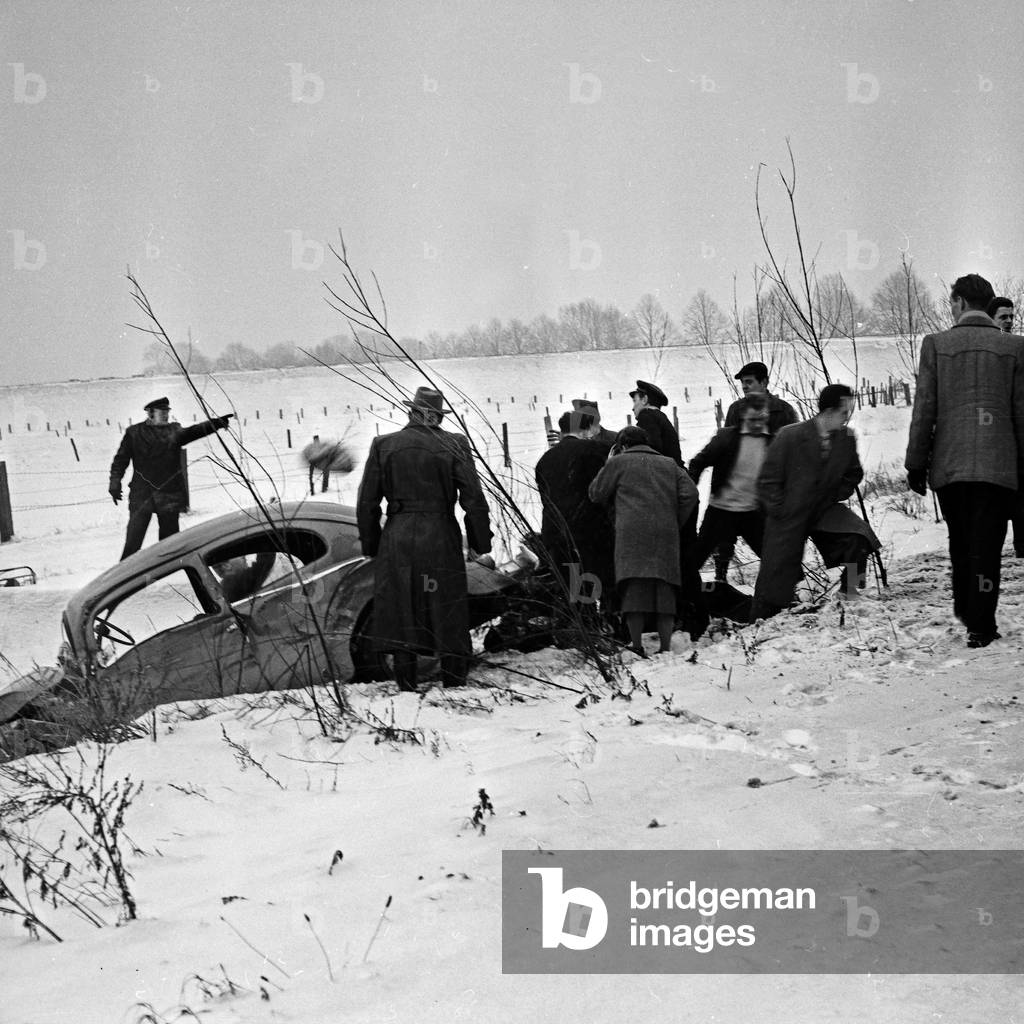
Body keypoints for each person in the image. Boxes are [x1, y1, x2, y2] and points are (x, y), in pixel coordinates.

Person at [906, 274, 1024, 647]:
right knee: (988, 545)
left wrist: (915, 463)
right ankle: (981, 624)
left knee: (960, 541)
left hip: (951, 467)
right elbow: (1022, 414)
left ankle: (967, 611)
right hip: (998, 467)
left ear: (958, 302)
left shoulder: (936, 344)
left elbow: (924, 409)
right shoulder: (1015, 347)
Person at [356, 386, 492, 690]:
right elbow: (473, 499)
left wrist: (372, 545)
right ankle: (454, 680)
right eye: (439, 416)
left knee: (402, 603)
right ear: (433, 416)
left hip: (397, 536)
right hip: (440, 534)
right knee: (446, 602)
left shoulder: (383, 445)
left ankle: (406, 682)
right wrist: (480, 543)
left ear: (413, 412)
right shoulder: (454, 444)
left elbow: (367, 503)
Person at [753, 384, 880, 619]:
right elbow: (767, 481)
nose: (847, 417)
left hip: (823, 509)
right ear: (828, 411)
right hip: (788, 514)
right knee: (775, 575)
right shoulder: (789, 435)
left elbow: (854, 473)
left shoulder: (846, 437)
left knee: (859, 538)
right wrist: (781, 510)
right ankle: (762, 621)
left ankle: (850, 594)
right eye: (844, 412)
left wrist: (835, 494)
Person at [588, 426, 698, 656]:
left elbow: (596, 493)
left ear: (623, 445)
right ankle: (665, 646)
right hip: (666, 533)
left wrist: (609, 462)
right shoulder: (669, 464)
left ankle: (637, 644)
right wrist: (674, 520)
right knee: (664, 586)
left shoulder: (618, 462)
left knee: (634, 587)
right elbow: (690, 493)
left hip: (631, 533)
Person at [109, 397, 234, 560]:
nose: (166, 416)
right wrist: (115, 482)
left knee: (170, 547)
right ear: (150, 413)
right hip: (142, 497)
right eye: (162, 412)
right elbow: (120, 460)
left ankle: (168, 573)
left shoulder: (173, 431)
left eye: (167, 412)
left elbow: (194, 431)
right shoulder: (134, 433)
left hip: (168, 497)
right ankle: (124, 574)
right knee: (132, 545)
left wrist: (216, 423)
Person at [717, 361, 798, 582]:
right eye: (743, 383)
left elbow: (794, 452)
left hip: (771, 487)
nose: (744, 387)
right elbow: (726, 446)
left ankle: (780, 580)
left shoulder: (783, 411)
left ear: (764, 382)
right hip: (741, 484)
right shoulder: (736, 410)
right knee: (725, 533)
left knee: (771, 537)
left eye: (749, 382)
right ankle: (720, 578)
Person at [534, 409, 615, 613]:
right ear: (585, 429)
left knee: (575, 589)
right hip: (590, 530)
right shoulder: (595, 450)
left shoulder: (544, 460)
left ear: (562, 431)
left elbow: (545, 499)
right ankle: (607, 622)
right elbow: (604, 490)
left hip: (556, 532)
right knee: (601, 582)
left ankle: (584, 624)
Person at [686, 393, 773, 573]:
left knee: (774, 557)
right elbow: (698, 463)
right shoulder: (726, 438)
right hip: (721, 509)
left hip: (751, 511)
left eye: (762, 419)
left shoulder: (772, 441)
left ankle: (791, 588)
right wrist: (689, 494)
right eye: (753, 420)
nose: (758, 424)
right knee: (695, 557)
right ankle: (683, 589)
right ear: (743, 417)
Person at [985, 296, 1024, 557]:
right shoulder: (986, 352)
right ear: (991, 319)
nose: (1009, 321)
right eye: (1003, 317)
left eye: (1011, 316)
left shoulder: (1020, 347)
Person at [629, 380, 681, 464]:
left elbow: (650, 452)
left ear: (644, 400)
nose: (633, 408)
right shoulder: (660, 417)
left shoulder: (647, 416)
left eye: (635, 401)